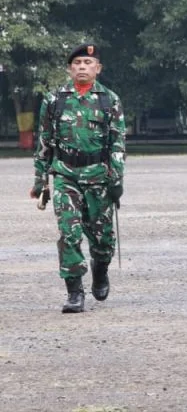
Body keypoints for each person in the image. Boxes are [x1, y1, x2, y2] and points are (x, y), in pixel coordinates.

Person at [31, 42, 126, 313]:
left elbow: (118, 143)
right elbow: (45, 141)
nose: (82, 67)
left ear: (98, 68)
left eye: (87, 63)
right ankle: (74, 292)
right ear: (70, 69)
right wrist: (40, 180)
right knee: (68, 233)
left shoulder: (110, 100)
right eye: (77, 63)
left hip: (99, 176)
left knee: (102, 238)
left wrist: (116, 180)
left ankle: (100, 269)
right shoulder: (54, 100)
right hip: (65, 175)